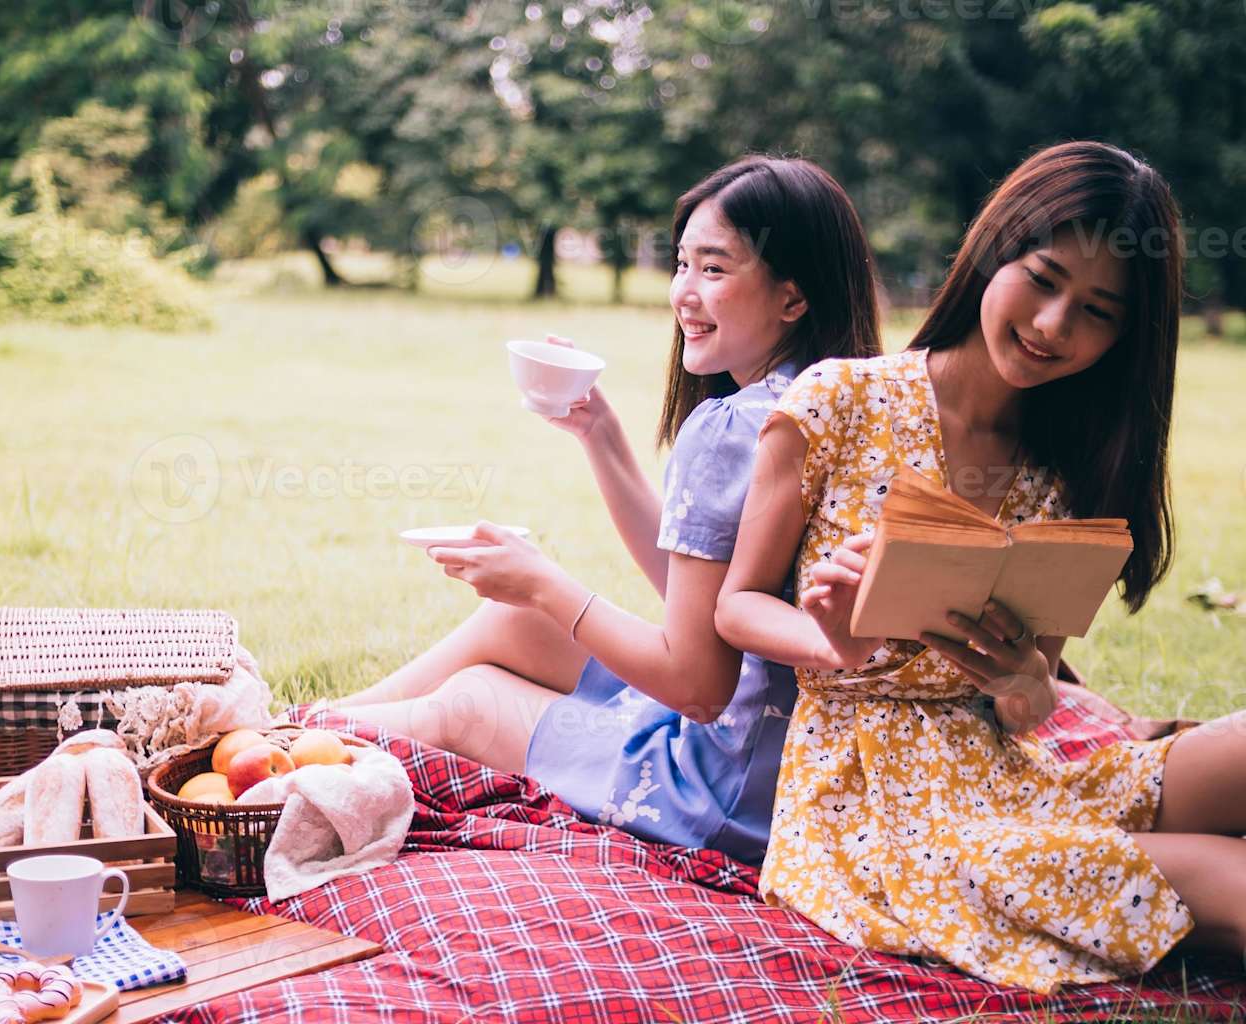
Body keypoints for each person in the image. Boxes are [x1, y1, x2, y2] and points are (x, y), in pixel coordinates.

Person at [715, 140, 1246, 995]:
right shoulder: (837, 401)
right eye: (1044, 277)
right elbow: (735, 607)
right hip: (876, 805)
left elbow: (1031, 703)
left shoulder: (1072, 467)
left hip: (1017, 760)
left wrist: (1025, 678)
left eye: (1098, 311)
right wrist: (830, 641)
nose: (1056, 325)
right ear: (994, 250)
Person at [333, 155, 881, 864]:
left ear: (793, 298)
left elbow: (698, 685)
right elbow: (703, 599)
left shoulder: (733, 428)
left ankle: (273, 748)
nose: (684, 293)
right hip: (794, 768)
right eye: (682, 264)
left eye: (714, 269)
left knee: (469, 702)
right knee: (513, 620)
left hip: (721, 793)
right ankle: (305, 726)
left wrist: (544, 582)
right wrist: (601, 435)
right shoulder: (850, 404)